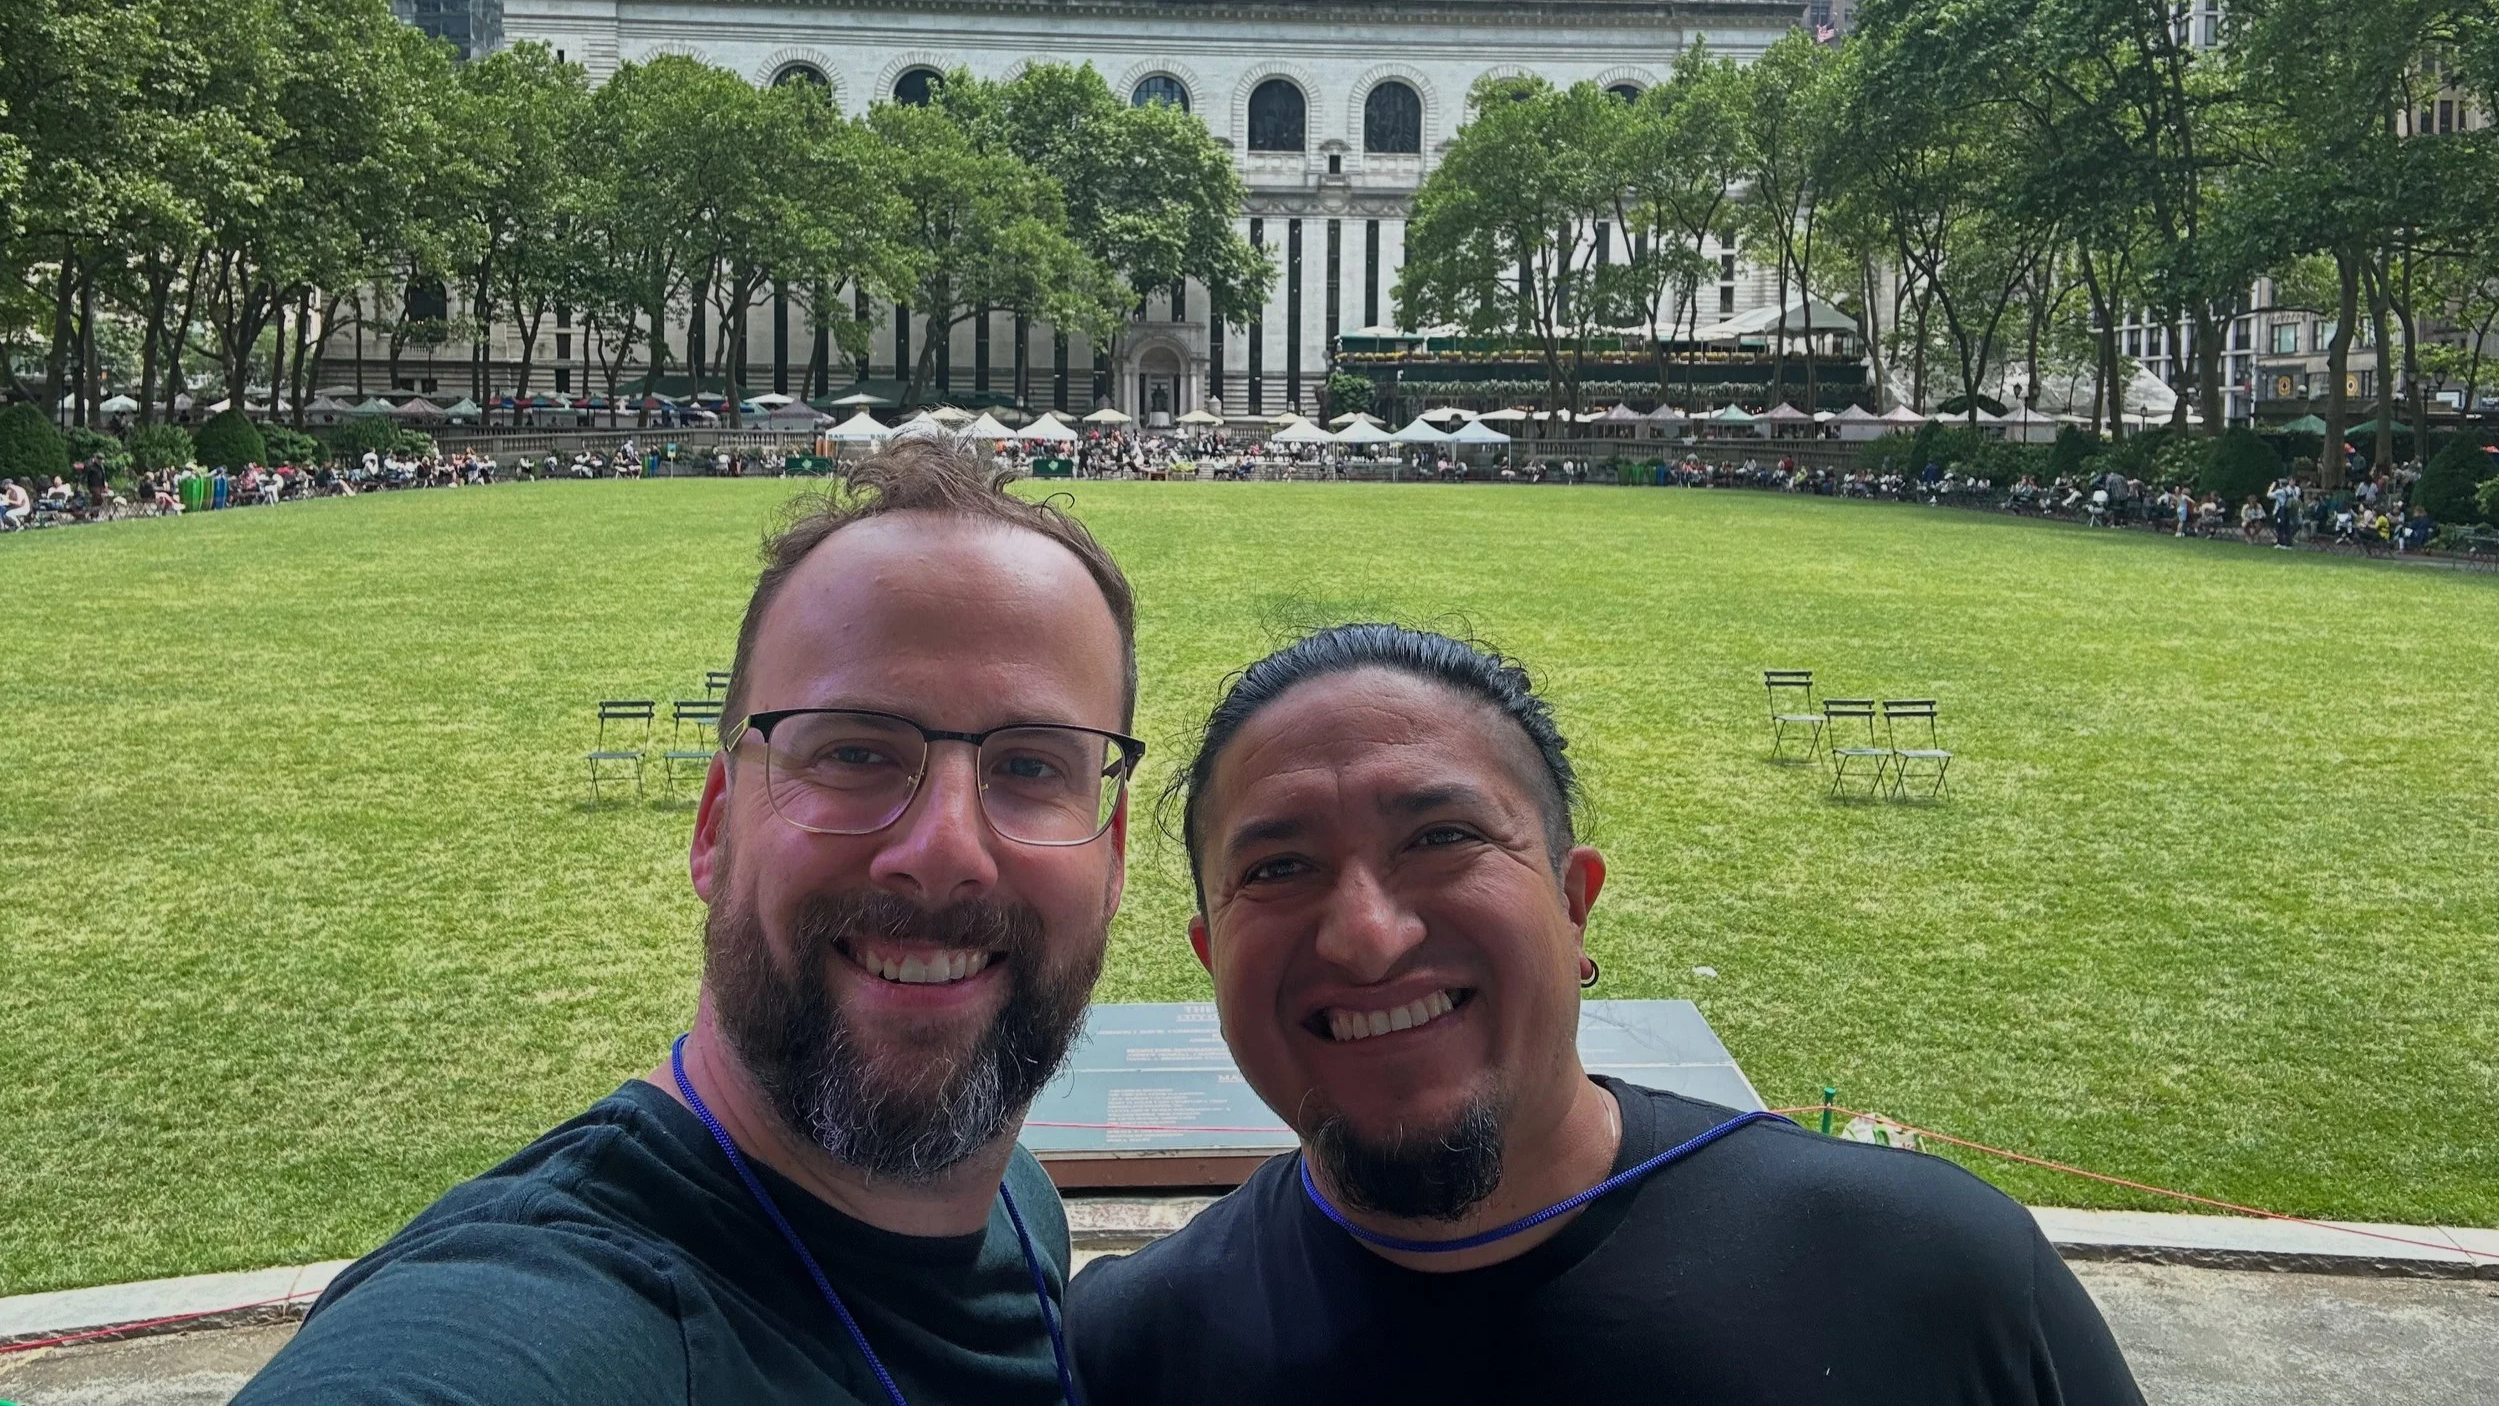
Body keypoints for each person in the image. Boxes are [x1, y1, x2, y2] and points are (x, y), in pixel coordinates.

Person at [237, 439, 1145, 1406]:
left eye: (1032, 767)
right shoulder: (558, 1316)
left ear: (1115, 852)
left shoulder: (1016, 1206)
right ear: (714, 827)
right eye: (852, 751)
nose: (945, 847)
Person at [1069, 624, 2144, 1406]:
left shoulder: (1937, 1279)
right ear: (1212, 958)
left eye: (1441, 836)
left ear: (1574, 902)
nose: (1366, 934)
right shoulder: (1129, 1356)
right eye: (1281, 864)